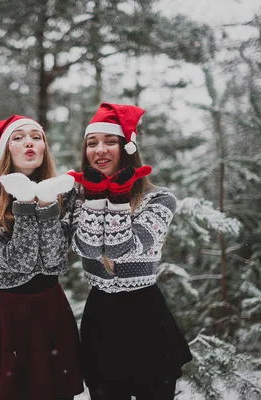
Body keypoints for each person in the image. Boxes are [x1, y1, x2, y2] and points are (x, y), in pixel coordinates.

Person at [68, 103, 193, 400]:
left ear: (127, 148)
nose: (100, 150)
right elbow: (83, 246)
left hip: (146, 317)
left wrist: (118, 198)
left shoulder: (159, 200)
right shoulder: (75, 199)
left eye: (110, 141)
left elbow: (124, 250)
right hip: (101, 318)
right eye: (92, 143)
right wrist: (95, 198)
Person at [0, 115, 84, 400]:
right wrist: (26, 203)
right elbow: (19, 263)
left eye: (36, 137)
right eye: (18, 137)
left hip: (50, 310)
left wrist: (48, 204)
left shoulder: (66, 195)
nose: (29, 142)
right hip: (7, 314)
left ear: (44, 148)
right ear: (6, 150)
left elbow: (54, 260)